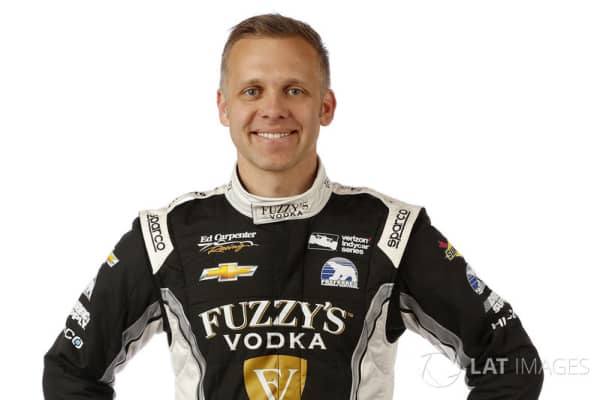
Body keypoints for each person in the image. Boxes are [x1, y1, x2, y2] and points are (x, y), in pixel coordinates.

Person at [42, 13, 544, 400]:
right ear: (224, 107)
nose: (273, 109)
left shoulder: (392, 230)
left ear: (325, 106)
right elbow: (69, 372)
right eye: (252, 90)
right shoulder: (165, 235)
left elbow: (511, 362)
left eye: (295, 90)